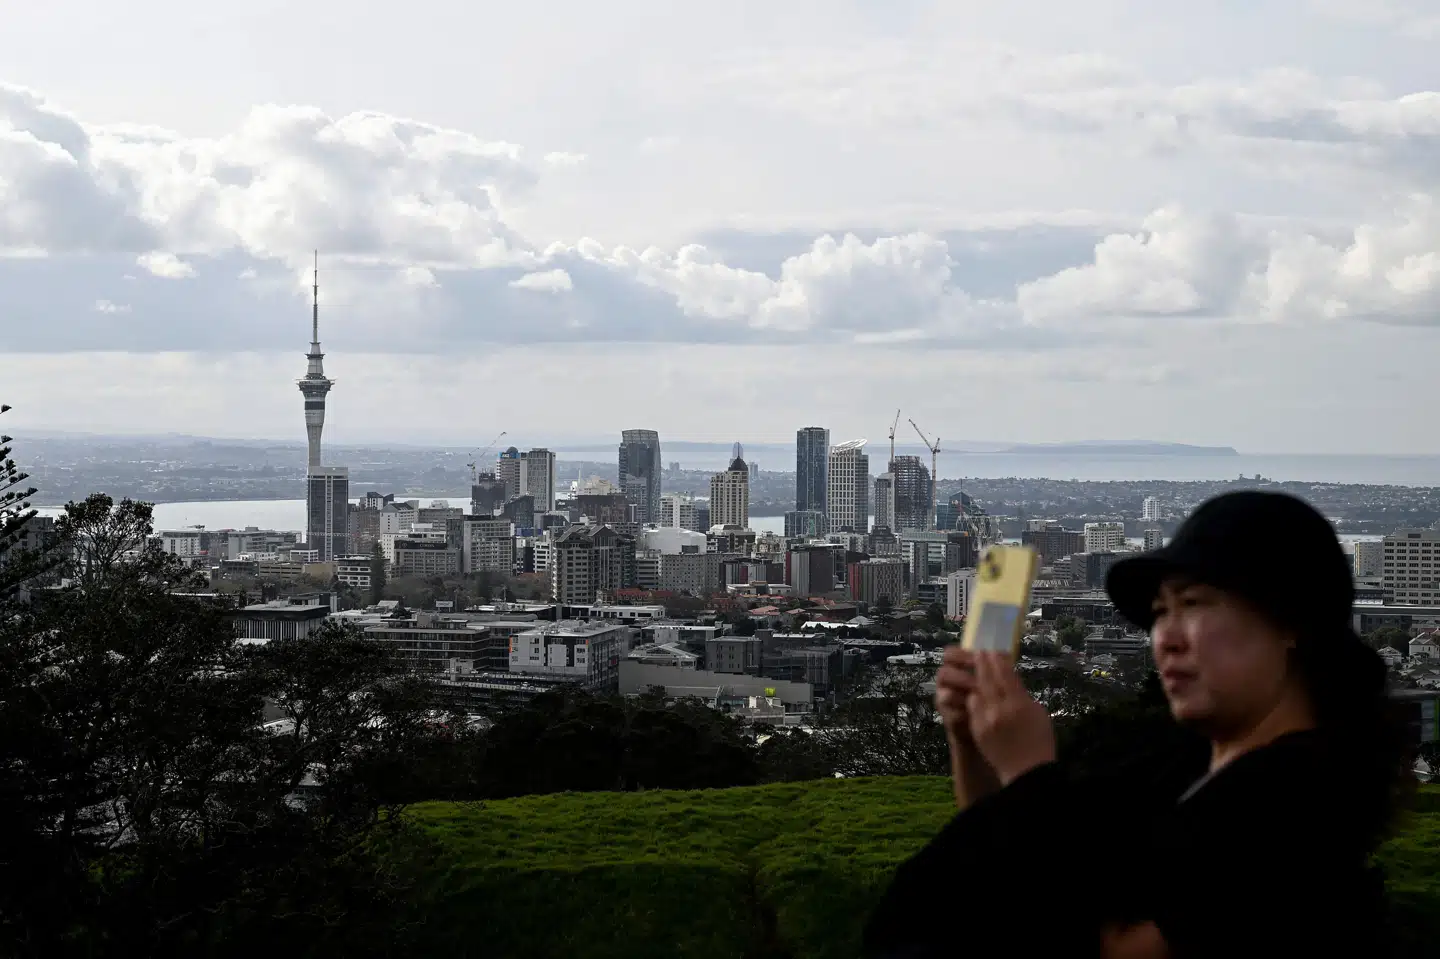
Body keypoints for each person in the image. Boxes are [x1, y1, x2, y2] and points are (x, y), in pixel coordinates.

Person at [863, 491, 1410, 958]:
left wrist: (1030, 770)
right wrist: (972, 742)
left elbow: (1111, 947)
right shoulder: (1167, 764)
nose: (1165, 637)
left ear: (1292, 621)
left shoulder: (1301, 807)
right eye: (1160, 612)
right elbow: (1008, 847)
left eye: (1193, 604)